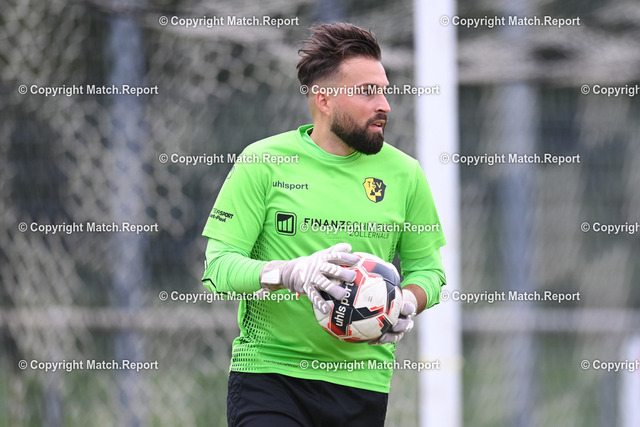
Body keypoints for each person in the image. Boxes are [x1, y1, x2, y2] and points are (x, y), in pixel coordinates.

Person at [202, 22, 446, 427]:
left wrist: (406, 301)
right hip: (271, 376)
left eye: (384, 91)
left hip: (362, 384)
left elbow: (430, 271)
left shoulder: (406, 174)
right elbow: (218, 267)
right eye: (368, 92)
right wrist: (289, 274)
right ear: (325, 99)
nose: (384, 105)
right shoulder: (263, 162)